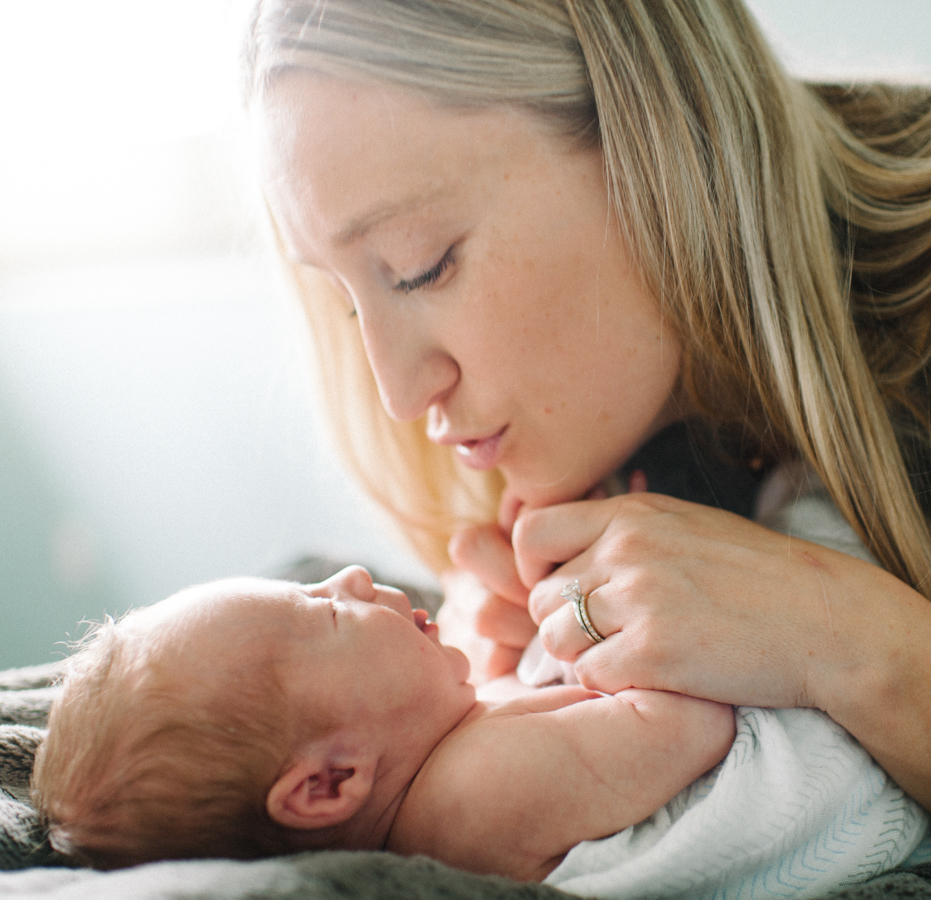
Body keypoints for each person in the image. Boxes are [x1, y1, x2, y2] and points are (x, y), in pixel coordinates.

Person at [243, 0, 931, 814]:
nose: (397, 394)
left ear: (660, 133)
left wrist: (855, 642)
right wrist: (478, 683)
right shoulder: (604, 421)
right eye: (350, 303)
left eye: (419, 266)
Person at [30, 568, 925, 897]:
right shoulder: (480, 791)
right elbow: (687, 725)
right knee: (815, 537)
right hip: (835, 777)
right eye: (325, 616)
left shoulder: (447, 772)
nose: (348, 576)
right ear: (329, 785)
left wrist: (510, 671)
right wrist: (595, 610)